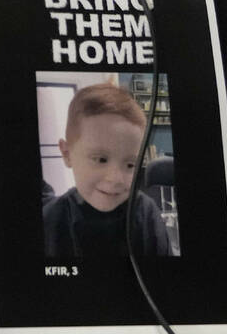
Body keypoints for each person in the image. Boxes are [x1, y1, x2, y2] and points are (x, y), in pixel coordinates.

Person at [42, 83, 171, 260]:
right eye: (101, 159)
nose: (116, 179)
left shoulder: (147, 215)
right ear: (67, 154)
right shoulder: (50, 220)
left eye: (130, 164)